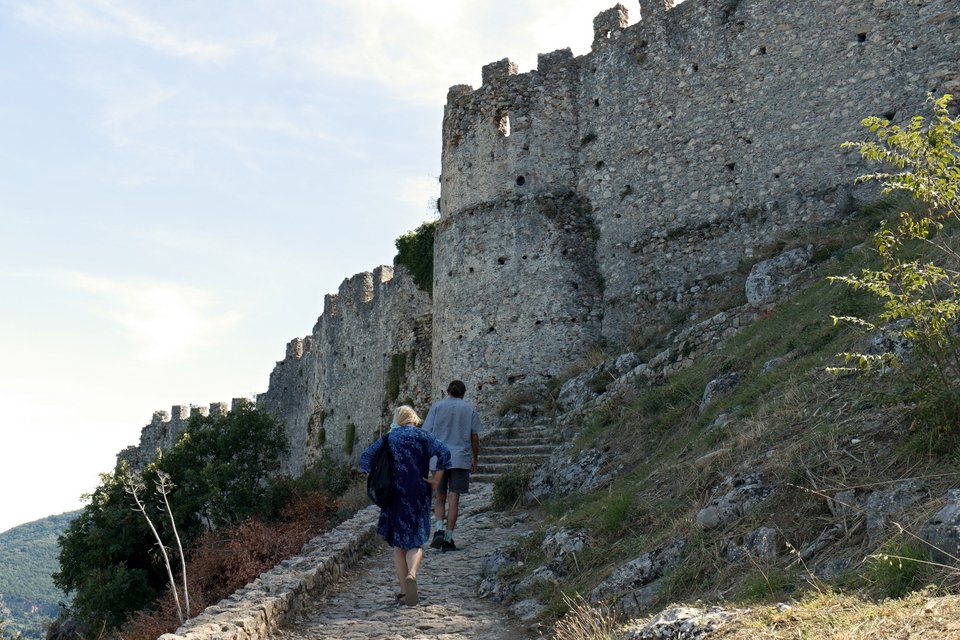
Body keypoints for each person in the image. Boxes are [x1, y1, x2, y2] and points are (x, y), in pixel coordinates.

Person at [360, 405, 451, 607]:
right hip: (419, 492)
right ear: (414, 419)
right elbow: (444, 453)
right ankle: (412, 574)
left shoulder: (389, 438)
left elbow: (365, 459)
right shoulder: (423, 436)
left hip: (395, 495)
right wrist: (436, 480)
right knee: (416, 542)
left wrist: (381, 473)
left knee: (399, 546)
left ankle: (403, 592)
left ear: (398, 419)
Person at [423, 380, 481, 552]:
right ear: (463, 393)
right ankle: (448, 539)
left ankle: (438, 530)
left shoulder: (436, 407)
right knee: (454, 498)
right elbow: (474, 437)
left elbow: (426, 434)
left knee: (440, 497)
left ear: (447, 391)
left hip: (438, 459)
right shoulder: (469, 410)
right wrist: (475, 458)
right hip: (460, 459)